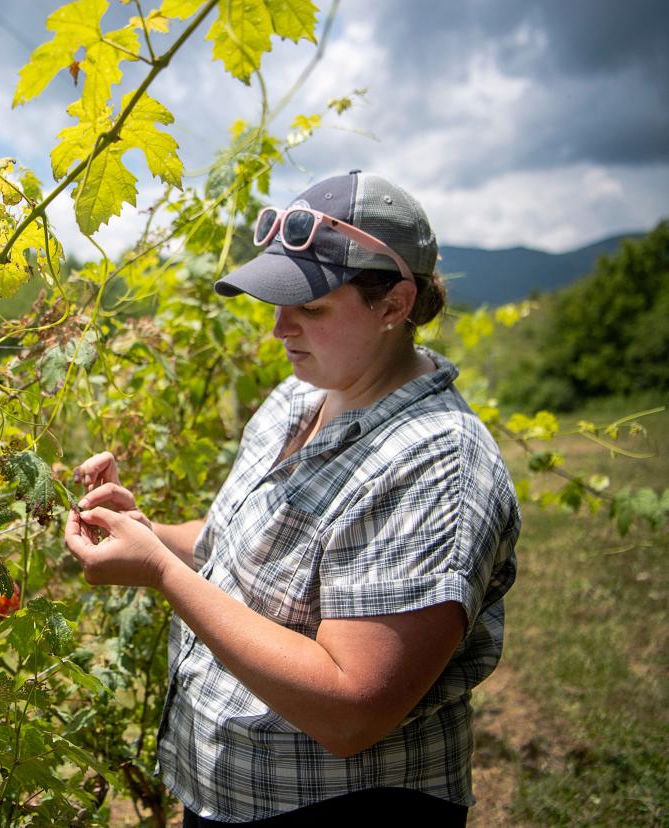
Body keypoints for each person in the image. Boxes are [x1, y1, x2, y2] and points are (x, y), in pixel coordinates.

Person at [64, 170, 519, 826]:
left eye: (311, 308)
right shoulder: (301, 397)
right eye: (277, 303)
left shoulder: (437, 464)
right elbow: (240, 548)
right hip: (232, 797)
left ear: (394, 304)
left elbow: (350, 708)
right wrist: (144, 530)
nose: (280, 328)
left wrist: (159, 574)